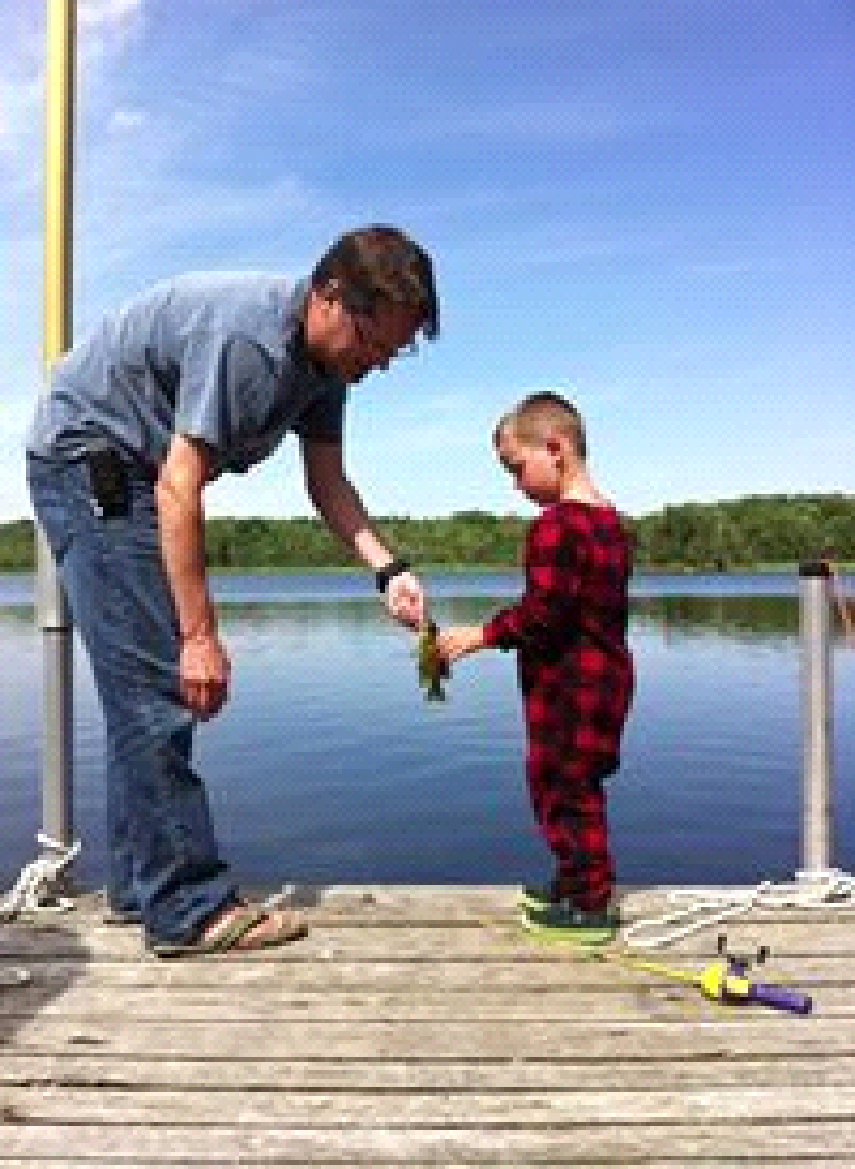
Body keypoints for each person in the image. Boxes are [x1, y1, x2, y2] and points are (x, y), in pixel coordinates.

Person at [26, 225, 439, 955]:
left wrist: (387, 569)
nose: (377, 364)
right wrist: (200, 635)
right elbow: (179, 487)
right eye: (377, 342)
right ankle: (186, 906)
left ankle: (140, 886)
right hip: (91, 462)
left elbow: (327, 484)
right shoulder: (248, 340)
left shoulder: (324, 370)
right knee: (157, 688)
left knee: (142, 692)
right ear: (331, 297)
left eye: (394, 353)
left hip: (135, 475)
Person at [437, 392, 633, 942]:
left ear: (556, 449)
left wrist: (479, 635)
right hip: (607, 680)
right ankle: (574, 882)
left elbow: (543, 613)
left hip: (569, 687)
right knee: (579, 784)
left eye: (516, 468)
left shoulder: (557, 526)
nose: (515, 485)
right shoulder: (611, 522)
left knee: (560, 788)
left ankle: (592, 906)